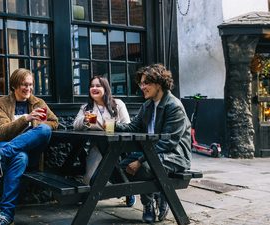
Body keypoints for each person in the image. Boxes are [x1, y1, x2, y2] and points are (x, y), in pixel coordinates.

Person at [0, 68, 59, 225]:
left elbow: (54, 122)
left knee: (44, 129)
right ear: (14, 85)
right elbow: (0, 133)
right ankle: (6, 215)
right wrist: (25, 119)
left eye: (30, 84)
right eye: (23, 84)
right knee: (20, 156)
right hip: (5, 144)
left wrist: (37, 123)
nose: (28, 88)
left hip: (29, 151)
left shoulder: (38, 103)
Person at [115, 64, 192, 223]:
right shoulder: (147, 105)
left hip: (174, 156)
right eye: (141, 83)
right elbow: (133, 127)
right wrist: (110, 125)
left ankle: (148, 203)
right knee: (118, 171)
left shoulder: (173, 106)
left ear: (159, 83)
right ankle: (161, 192)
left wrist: (139, 160)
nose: (142, 87)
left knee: (142, 169)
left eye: (146, 83)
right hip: (152, 153)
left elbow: (167, 143)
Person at [72, 75, 136, 207]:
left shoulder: (117, 104)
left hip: (118, 146)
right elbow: (75, 125)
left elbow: (128, 126)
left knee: (113, 168)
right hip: (98, 146)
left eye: (98, 85)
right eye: (91, 86)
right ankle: (118, 188)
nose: (94, 88)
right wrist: (84, 120)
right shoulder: (86, 108)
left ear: (105, 88)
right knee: (89, 178)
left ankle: (128, 191)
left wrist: (115, 127)